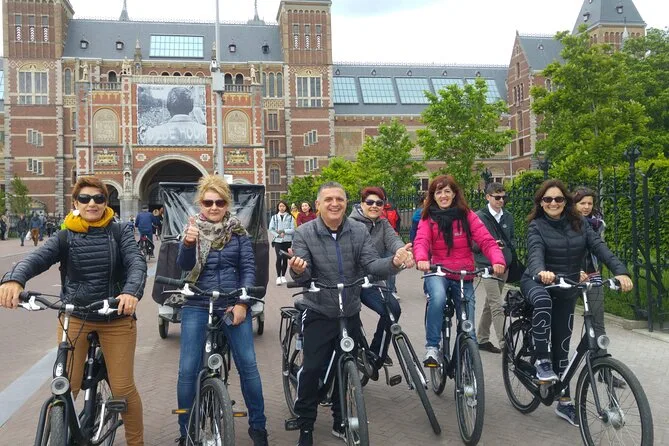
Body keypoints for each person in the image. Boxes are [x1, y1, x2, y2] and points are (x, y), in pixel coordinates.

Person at [0, 176, 147, 445]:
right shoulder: (65, 235)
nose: (92, 203)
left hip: (115, 318)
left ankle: (136, 442)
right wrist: (14, 279)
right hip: (75, 317)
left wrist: (130, 292)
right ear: (75, 203)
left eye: (98, 198)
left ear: (106, 202)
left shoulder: (120, 232)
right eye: (85, 198)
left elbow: (136, 263)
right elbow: (38, 258)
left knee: (123, 389)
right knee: (67, 385)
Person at [288, 182, 411, 446]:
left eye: (340, 199)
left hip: (350, 310)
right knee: (312, 369)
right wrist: (298, 270)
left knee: (345, 368)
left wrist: (393, 262)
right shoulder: (304, 233)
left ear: (346, 203)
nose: (335, 204)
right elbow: (304, 273)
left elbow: (371, 264)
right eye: (328, 199)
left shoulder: (358, 230)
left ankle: (339, 421)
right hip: (319, 309)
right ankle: (305, 426)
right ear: (318, 204)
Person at [521, 179, 632, 426]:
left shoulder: (580, 224)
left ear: (566, 202)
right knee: (543, 301)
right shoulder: (536, 226)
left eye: (558, 199)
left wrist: (621, 272)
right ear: (541, 203)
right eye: (548, 199)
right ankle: (542, 360)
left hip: (567, 285)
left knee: (563, 343)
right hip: (539, 281)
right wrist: (541, 272)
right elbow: (535, 253)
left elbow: (600, 248)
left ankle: (564, 402)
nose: (553, 203)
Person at [175, 175, 268, 446]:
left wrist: (242, 303)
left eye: (219, 202)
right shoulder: (192, 230)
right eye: (208, 202)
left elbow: (248, 268)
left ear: (227, 204)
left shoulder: (238, 232)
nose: (214, 207)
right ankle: (186, 430)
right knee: (188, 369)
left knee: (248, 365)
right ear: (200, 204)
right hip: (197, 301)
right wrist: (188, 244)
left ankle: (258, 427)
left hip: (231, 301)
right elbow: (184, 266)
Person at [413, 175, 506, 365]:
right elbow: (421, 240)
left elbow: (486, 241)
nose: (443, 195)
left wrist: (497, 260)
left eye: (447, 191)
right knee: (438, 298)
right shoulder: (428, 217)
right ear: (433, 196)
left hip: (463, 273)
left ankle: (468, 353)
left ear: (455, 194)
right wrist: (421, 258)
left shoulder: (467, 216)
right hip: (438, 271)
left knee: (467, 318)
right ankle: (432, 347)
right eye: (438, 192)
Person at [349, 186, 414, 372]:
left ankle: (377, 353)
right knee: (349, 318)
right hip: (350, 282)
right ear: (362, 204)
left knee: (392, 309)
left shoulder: (383, 224)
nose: (374, 206)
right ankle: (351, 358)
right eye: (370, 202)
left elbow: (394, 241)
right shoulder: (350, 224)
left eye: (379, 203)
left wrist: (402, 252)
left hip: (371, 280)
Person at [473, 182, 515, 354]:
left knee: (490, 303)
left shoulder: (508, 217)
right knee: (497, 305)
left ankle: (482, 339)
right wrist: (489, 245)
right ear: (488, 197)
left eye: (504, 197)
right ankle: (506, 345)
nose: (501, 201)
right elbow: (472, 243)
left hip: (504, 266)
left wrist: (506, 250)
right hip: (487, 266)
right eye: (497, 197)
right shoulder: (478, 217)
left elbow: (512, 239)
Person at [268, 200, 295, 286]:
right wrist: (278, 235)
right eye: (280, 206)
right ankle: (278, 277)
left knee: (285, 258)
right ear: (278, 207)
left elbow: (293, 229)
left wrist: (284, 231)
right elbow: (271, 228)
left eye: (283, 206)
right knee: (279, 257)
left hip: (287, 240)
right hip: (278, 241)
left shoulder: (290, 217)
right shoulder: (274, 217)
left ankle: (283, 275)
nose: (282, 208)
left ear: (286, 207)